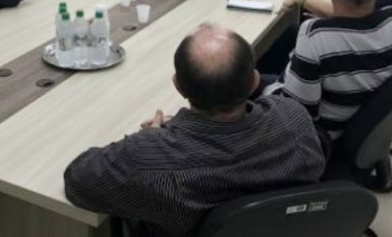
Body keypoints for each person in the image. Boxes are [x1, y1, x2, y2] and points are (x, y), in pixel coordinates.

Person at [64, 24, 325, 237]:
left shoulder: (151, 161)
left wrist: (151, 139)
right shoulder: (294, 119)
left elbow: (77, 179)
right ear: (255, 81)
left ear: (178, 87)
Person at [265, 0, 392, 140]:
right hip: (357, 122)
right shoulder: (388, 21)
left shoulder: (316, 34)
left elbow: (296, 115)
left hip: (319, 137)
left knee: (246, 80)